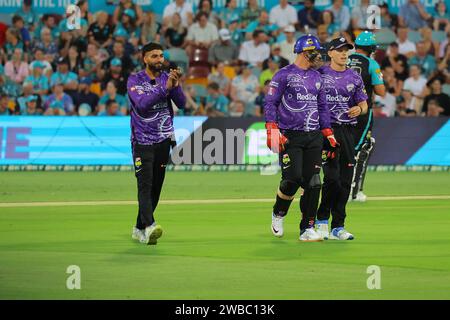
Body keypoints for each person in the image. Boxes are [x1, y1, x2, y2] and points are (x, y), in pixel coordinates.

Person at [264, 34, 333, 242]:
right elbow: (270, 102)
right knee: (292, 179)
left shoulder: (317, 76)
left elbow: (322, 106)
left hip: (313, 135)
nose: (319, 57)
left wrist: (327, 131)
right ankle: (278, 213)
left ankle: (307, 228)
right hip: (290, 135)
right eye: (315, 53)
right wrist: (271, 127)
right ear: (305, 53)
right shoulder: (283, 75)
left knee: (313, 182)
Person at [127, 42, 186, 245]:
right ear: (145, 59)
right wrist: (164, 89)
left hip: (163, 140)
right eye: (154, 56)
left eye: (161, 55)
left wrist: (175, 86)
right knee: (144, 185)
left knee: (156, 188)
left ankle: (138, 228)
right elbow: (142, 106)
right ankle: (150, 226)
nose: (159, 59)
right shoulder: (135, 79)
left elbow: (183, 104)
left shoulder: (166, 78)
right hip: (142, 141)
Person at [315, 37, 369, 241]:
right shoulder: (320, 74)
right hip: (326, 132)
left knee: (346, 180)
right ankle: (321, 221)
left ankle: (338, 225)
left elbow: (364, 104)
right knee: (332, 178)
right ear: (330, 53)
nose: (344, 53)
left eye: (346, 50)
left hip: (347, 132)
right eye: (339, 50)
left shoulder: (354, 76)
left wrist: (359, 109)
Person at [347, 31, 385, 202]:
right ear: (370, 49)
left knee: (344, 150)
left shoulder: (343, 59)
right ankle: (352, 192)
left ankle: (345, 188)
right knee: (362, 148)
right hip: (361, 112)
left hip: (341, 112)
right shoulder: (371, 63)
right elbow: (380, 91)